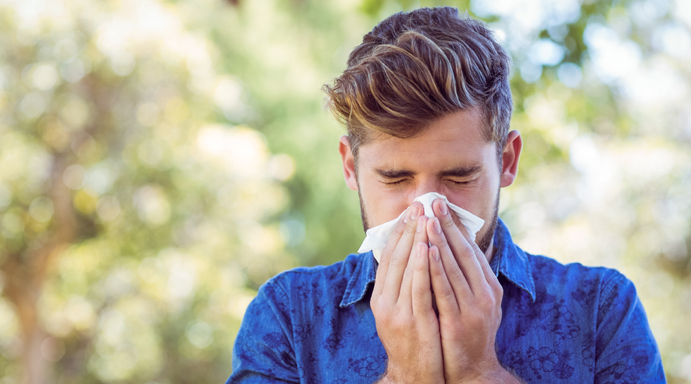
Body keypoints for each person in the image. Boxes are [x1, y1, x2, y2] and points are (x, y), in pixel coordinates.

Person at [227, 6, 665, 384]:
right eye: (396, 178)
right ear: (350, 168)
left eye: (459, 176)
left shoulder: (600, 310)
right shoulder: (289, 315)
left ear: (507, 161)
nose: (429, 211)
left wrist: (479, 371)